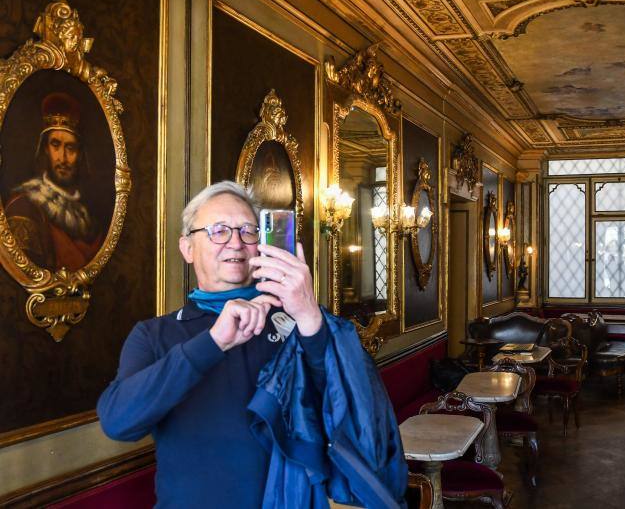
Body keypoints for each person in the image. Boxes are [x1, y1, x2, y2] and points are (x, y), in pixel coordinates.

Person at [97, 181, 406, 508]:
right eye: (218, 230)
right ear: (187, 248)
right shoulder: (154, 334)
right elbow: (119, 422)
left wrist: (309, 316)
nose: (236, 242)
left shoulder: (298, 320)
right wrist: (213, 342)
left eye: (248, 231)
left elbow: (353, 410)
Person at [5, 91, 101, 270]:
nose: (62, 158)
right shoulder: (24, 206)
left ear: (80, 155)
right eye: (55, 145)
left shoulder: (87, 217)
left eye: (70, 148)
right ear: (45, 149)